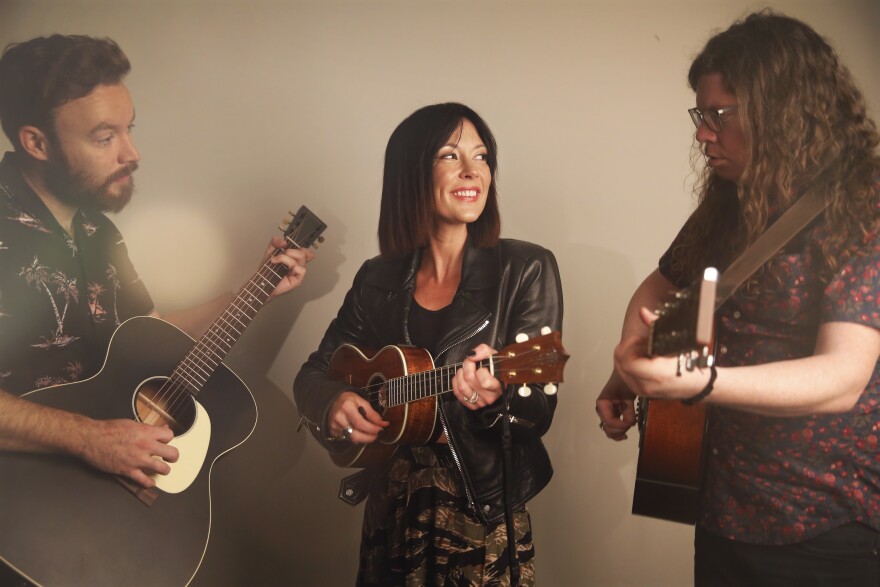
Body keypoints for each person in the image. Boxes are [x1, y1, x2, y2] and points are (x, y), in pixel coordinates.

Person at [0, 34, 313, 583]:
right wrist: (90, 438)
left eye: (129, 129)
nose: (132, 153)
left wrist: (253, 289)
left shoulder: (99, 229)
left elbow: (142, 333)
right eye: (104, 137)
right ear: (37, 142)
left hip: (100, 510)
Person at [596, 10, 880, 586]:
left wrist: (701, 382)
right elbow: (660, 286)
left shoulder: (863, 205)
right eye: (701, 115)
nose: (703, 133)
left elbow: (843, 377)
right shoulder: (732, 199)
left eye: (718, 115)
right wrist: (628, 368)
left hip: (823, 527)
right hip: (721, 509)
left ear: (780, 112)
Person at [294, 102, 563, 585]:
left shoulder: (525, 269)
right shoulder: (377, 277)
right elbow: (313, 373)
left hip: (476, 511)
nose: (471, 171)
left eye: (481, 157)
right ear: (411, 173)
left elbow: (538, 406)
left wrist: (492, 400)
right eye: (449, 155)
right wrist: (333, 402)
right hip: (390, 505)